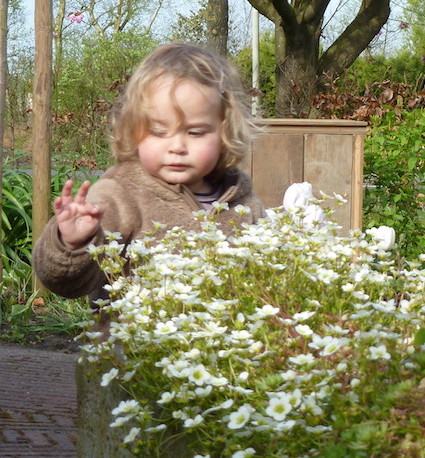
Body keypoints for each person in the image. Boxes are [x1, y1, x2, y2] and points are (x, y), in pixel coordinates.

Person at [33, 43, 266, 305]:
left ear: (225, 134)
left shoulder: (244, 203)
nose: (177, 147)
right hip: (136, 343)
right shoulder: (118, 196)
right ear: (133, 131)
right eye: (158, 131)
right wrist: (74, 243)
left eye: (196, 132)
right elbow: (66, 283)